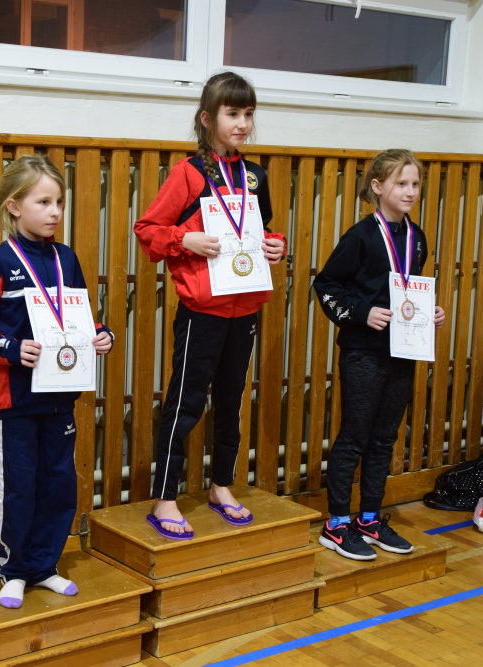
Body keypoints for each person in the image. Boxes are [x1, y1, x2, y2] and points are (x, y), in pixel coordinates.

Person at [0, 155, 114, 608]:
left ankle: (44, 566)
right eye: (43, 202)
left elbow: (79, 316)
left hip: (60, 395)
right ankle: (14, 570)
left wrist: (101, 335)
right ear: (13, 206)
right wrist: (8, 348)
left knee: (58, 485)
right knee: (19, 487)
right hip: (15, 400)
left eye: (59, 201)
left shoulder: (67, 258)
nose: (54, 211)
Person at [134, 71, 286, 540]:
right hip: (202, 312)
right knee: (185, 403)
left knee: (231, 402)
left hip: (245, 309)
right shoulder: (188, 173)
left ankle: (221, 486)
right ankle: (165, 498)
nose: (242, 123)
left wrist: (275, 245)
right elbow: (147, 231)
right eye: (232, 113)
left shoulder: (255, 175)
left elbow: (260, 230)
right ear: (206, 119)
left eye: (248, 114)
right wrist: (187, 240)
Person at [312, 149, 445, 561]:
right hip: (363, 353)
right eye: (401, 183)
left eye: (415, 184)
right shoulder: (361, 236)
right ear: (377, 187)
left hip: (402, 351)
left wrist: (429, 312)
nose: (410, 191)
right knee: (355, 436)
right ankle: (336, 523)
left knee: (385, 437)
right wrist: (361, 312)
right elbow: (326, 285)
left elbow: (408, 288)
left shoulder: (417, 237)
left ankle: (369, 517)